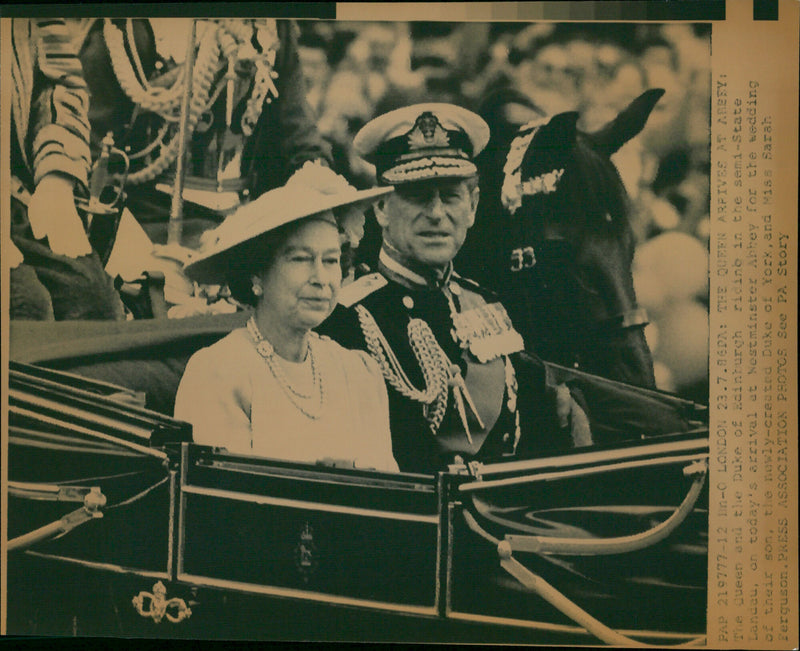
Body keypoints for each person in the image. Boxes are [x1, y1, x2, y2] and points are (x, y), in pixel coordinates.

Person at [318, 103, 591, 475]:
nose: (435, 213)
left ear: (473, 207)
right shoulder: (347, 321)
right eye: (416, 195)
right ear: (381, 207)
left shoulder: (488, 307)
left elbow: (537, 429)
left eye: (450, 196)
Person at [174, 173, 398, 473]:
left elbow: (389, 499)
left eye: (330, 261)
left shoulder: (359, 373)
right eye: (301, 259)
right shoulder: (219, 372)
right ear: (257, 275)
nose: (321, 279)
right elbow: (223, 505)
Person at [8, 17, 125, 321]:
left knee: (94, 301)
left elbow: (61, 82)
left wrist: (56, 180)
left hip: (15, 193)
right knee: (26, 305)